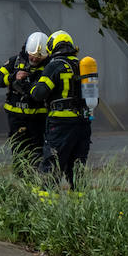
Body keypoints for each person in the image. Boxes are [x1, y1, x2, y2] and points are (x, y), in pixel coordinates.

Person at [29, 29, 91, 187]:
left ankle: (46, 206)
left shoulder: (55, 66)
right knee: (77, 170)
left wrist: (31, 85)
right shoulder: (82, 66)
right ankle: (80, 206)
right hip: (83, 123)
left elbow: (39, 93)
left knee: (51, 168)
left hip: (61, 125)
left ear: (52, 48)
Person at [0, 30, 49, 176]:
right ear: (27, 50)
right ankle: (22, 182)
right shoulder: (14, 62)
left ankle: (36, 182)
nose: (35, 59)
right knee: (19, 152)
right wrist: (13, 77)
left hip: (39, 120)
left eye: (39, 57)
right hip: (16, 118)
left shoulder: (49, 67)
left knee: (38, 153)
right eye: (32, 55)